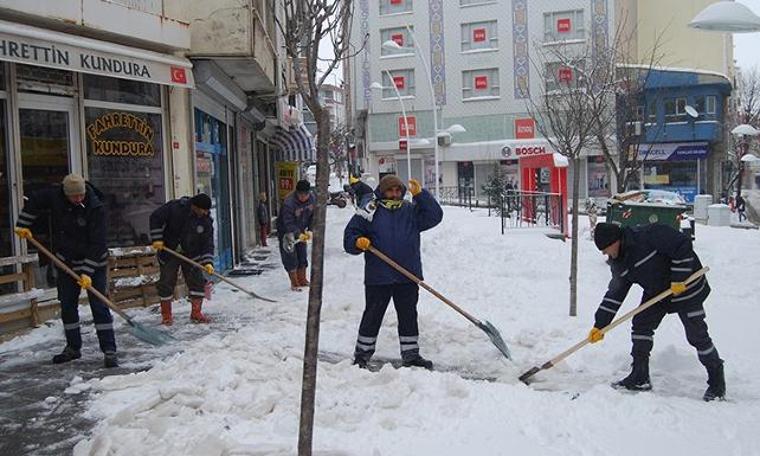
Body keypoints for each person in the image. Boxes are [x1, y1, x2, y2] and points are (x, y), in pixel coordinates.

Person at [588, 222, 726, 401]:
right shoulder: (620, 263)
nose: (605, 253)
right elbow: (615, 294)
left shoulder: (648, 235)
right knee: (641, 324)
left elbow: (682, 244)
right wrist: (600, 325)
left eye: (606, 248)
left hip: (687, 286)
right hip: (659, 292)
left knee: (696, 334)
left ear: (616, 241)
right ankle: (640, 375)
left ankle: (716, 380)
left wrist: (679, 278)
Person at [15, 174, 117, 368]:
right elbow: (34, 199)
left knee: (99, 306)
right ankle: (73, 347)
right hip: (66, 262)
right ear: (65, 193)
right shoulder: (56, 196)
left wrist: (87, 271)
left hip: (93, 262)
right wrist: (23, 224)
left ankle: (109, 349)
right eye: (74, 197)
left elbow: (98, 244)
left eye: (81, 196)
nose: (78, 199)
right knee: (68, 306)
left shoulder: (96, 208)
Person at [343, 175, 443, 369]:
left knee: (408, 316)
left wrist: (422, 196)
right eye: (390, 190)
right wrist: (357, 242)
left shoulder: (410, 211)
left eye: (398, 190)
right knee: (373, 315)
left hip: (407, 275)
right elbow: (350, 235)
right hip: (379, 276)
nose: (395, 194)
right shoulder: (370, 211)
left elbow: (434, 216)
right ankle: (362, 354)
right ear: (382, 191)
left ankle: (411, 355)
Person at [150, 193, 214, 325]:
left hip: (192, 253)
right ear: (195, 206)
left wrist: (208, 262)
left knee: (196, 281)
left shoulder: (205, 220)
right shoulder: (176, 208)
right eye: (203, 209)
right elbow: (155, 217)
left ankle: (196, 313)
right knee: (167, 282)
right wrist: (157, 239)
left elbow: (207, 242)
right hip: (170, 251)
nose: (205, 213)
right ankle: (166, 316)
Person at [277, 179, 315, 291]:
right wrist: (297, 234)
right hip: (287, 233)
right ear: (296, 193)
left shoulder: (312, 200)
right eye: (300, 195)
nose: (303, 197)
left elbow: (314, 216)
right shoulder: (289, 203)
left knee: (302, 254)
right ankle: (294, 282)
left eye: (305, 194)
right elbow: (288, 222)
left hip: (302, 229)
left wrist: (310, 229)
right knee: (290, 256)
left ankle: (302, 278)